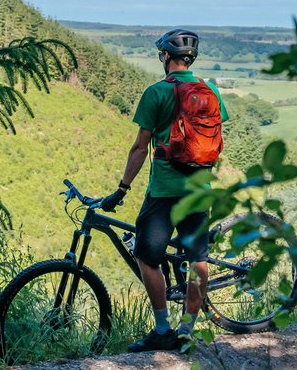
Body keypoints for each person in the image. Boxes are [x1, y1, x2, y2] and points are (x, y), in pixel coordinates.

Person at [97, 29, 229, 352]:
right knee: (198, 260)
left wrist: (122, 188)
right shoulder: (211, 92)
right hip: (199, 190)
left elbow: (140, 148)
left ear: (167, 57)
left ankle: (162, 329)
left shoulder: (156, 93)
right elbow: (214, 145)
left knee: (146, 257)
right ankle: (187, 331)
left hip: (164, 191)